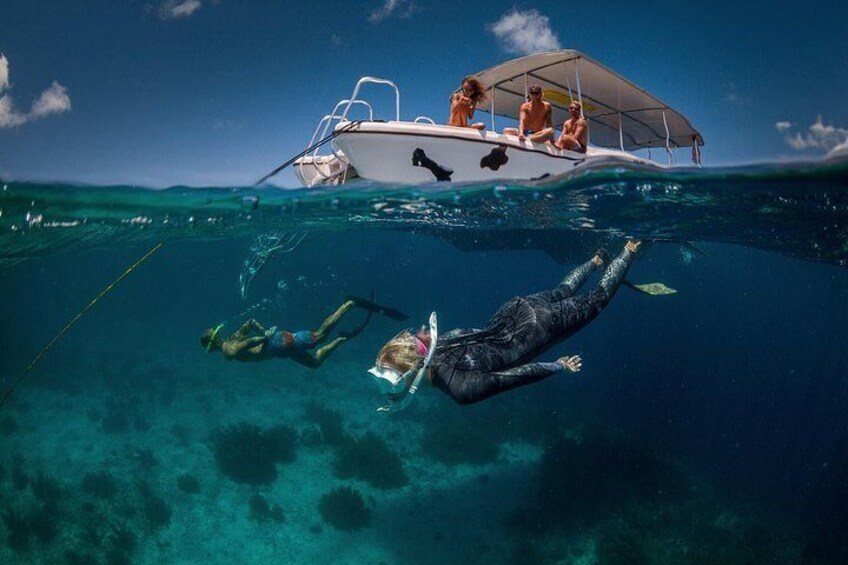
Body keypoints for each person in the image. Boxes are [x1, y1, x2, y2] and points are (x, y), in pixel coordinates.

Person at [367, 241, 641, 411]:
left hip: (538, 328)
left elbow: (513, 377)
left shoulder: (460, 389)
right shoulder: (441, 344)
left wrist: (559, 366)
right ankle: (596, 260)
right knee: (562, 290)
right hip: (514, 309)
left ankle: (631, 247)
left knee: (597, 299)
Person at [202, 296, 408, 369]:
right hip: (281, 349)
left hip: (280, 343)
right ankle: (341, 339)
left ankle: (349, 304)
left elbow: (246, 344)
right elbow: (249, 322)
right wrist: (263, 330)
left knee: (319, 336)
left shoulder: (228, 349)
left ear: (212, 347)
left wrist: (265, 335)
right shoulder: (232, 338)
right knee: (314, 364)